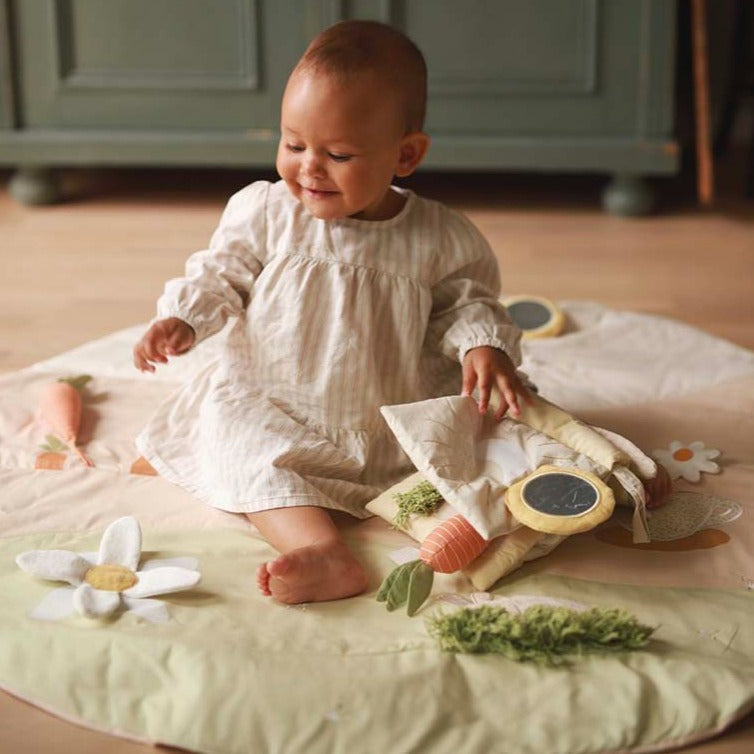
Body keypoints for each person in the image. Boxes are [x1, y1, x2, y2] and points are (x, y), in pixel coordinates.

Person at [133, 21, 669, 606]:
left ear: (405, 154)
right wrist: (185, 319)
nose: (309, 168)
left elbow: (466, 303)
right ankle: (321, 550)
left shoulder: (438, 237)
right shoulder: (264, 212)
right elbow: (220, 272)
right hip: (273, 398)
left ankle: (583, 478)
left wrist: (481, 348)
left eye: (337, 154)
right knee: (238, 447)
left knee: (490, 432)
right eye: (293, 144)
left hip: (387, 408)